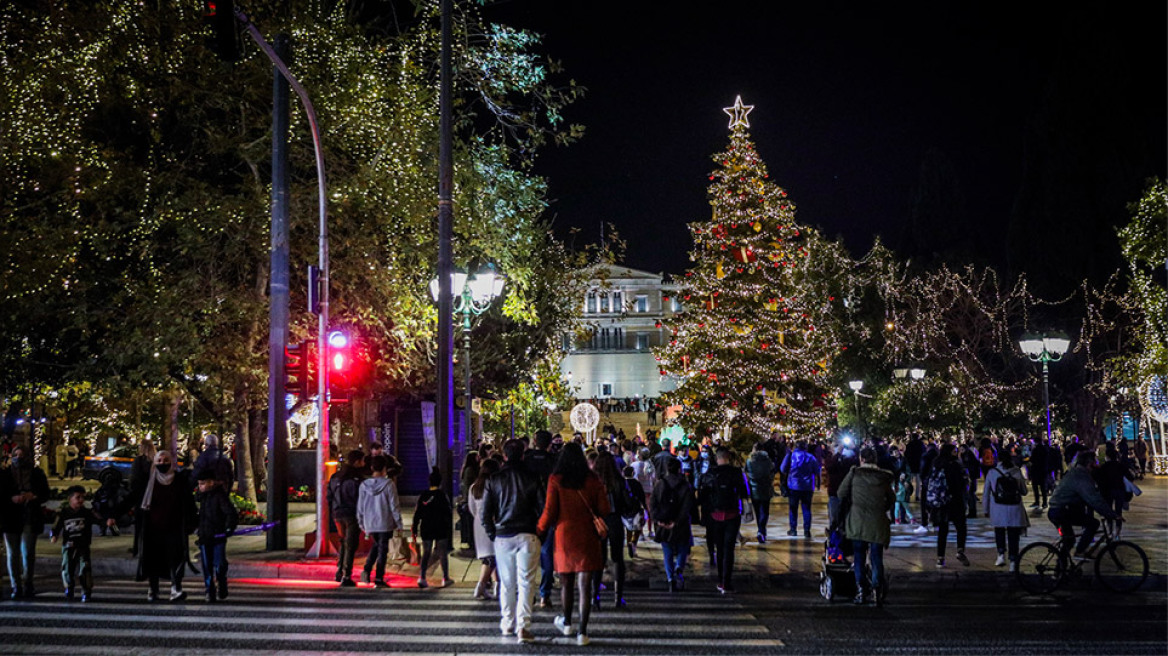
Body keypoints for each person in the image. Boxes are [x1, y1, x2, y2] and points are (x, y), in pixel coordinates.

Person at [537, 441, 609, 647]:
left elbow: (550, 512)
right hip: (587, 535)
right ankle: (582, 633)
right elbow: (604, 508)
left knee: (566, 583)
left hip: (565, 535)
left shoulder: (556, 479)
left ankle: (567, 622)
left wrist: (539, 529)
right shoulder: (593, 479)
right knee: (585, 586)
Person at [483, 438, 545, 643]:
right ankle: (523, 626)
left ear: (505, 455)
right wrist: (539, 532)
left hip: (503, 535)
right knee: (527, 582)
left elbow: (486, 514)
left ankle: (507, 622)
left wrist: (493, 533)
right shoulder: (533, 477)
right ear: (522, 454)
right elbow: (542, 508)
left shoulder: (494, 479)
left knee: (507, 583)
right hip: (528, 533)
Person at [116, 450, 198, 602]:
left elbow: (189, 502)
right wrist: (113, 515)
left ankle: (176, 589)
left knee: (176, 558)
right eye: (159, 460)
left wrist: (192, 523)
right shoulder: (147, 481)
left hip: (175, 527)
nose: (162, 463)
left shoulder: (180, 480)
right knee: (153, 559)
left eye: (165, 460)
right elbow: (132, 498)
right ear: (154, 462)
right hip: (152, 528)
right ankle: (153, 590)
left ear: (171, 462)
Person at [837, 446, 893, 605]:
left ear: (861, 459)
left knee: (859, 557)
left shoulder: (854, 474)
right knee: (876, 558)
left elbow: (841, 493)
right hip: (877, 522)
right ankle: (877, 590)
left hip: (858, 522)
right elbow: (891, 499)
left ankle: (861, 589)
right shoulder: (883, 477)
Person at [1, 444, 50, 599]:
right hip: (10, 516)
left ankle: (28, 583)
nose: (18, 458)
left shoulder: (37, 474)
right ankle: (16, 585)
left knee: (28, 552)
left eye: (22, 455)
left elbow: (45, 493)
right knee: (12, 553)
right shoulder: (5, 474)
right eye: (16, 455)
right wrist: (12, 498)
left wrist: (32, 496)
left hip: (30, 514)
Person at [699, 446, 749, 594]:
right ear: (729, 457)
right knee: (729, 549)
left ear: (717, 458)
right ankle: (727, 581)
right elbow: (744, 492)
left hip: (715, 515)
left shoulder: (710, 473)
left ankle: (721, 580)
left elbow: (703, 496)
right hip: (732, 514)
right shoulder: (736, 473)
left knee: (719, 548)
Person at [1048, 451, 1118, 557]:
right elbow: (1094, 498)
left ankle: (1061, 569)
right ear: (1089, 463)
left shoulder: (1075, 472)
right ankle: (1079, 552)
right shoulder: (1081, 476)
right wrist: (1111, 514)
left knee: (1069, 541)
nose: (1097, 464)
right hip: (1062, 511)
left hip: (1058, 509)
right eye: (1095, 461)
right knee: (1093, 524)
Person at [521, 430, 557, 609]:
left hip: (527, 512)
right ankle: (545, 594)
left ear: (535, 440)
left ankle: (530, 593)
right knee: (546, 554)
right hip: (547, 512)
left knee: (527, 555)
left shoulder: (525, 459)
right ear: (550, 443)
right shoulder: (553, 461)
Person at [357, 455, 404, 588]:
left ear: (372, 467)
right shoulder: (389, 485)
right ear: (385, 468)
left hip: (370, 522)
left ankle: (367, 570)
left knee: (377, 545)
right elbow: (394, 506)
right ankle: (378, 577)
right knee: (382, 549)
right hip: (385, 521)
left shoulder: (364, 486)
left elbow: (360, 507)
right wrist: (399, 524)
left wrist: (361, 523)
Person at [591, 450, 630, 608]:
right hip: (614, 519)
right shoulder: (618, 480)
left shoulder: (593, 480)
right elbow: (626, 502)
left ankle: (595, 596)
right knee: (617, 559)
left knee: (598, 559)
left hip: (597, 521)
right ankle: (618, 597)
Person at [651, 457, 694, 592]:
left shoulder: (660, 484)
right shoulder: (685, 485)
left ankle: (670, 578)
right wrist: (677, 522)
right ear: (679, 469)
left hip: (664, 522)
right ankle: (679, 569)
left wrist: (658, 520)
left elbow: (653, 503)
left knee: (667, 552)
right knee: (682, 548)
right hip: (680, 524)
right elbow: (687, 506)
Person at [195, 469, 238, 602]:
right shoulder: (201, 498)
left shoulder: (219, 496)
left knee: (219, 564)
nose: (200, 486)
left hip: (218, 535)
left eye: (203, 483)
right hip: (205, 535)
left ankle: (222, 583)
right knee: (207, 566)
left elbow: (230, 513)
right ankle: (210, 591)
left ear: (211, 483)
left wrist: (228, 528)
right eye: (199, 484)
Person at [51, 485, 99, 602]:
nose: (81, 500)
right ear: (70, 499)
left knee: (85, 568)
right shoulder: (63, 513)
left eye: (83, 497)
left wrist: (107, 521)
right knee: (68, 568)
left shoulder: (87, 513)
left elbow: (98, 519)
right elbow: (56, 525)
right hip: (68, 545)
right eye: (78, 497)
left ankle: (86, 590)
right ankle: (69, 588)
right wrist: (54, 535)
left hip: (83, 545)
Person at [982, 451, 1028, 571]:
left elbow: (986, 493)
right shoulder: (1017, 471)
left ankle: (1001, 555)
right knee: (1013, 535)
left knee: (999, 531)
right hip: (1015, 507)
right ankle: (1013, 560)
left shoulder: (992, 473)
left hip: (998, 507)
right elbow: (1024, 491)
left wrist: (985, 509)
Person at [327, 450, 365, 587]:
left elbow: (329, 496)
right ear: (357, 462)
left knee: (343, 542)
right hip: (351, 514)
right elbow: (360, 498)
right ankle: (346, 575)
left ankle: (339, 572)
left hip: (337, 514)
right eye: (362, 461)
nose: (364, 463)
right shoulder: (357, 479)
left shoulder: (336, 477)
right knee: (351, 544)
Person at [929, 443, 970, 568]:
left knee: (942, 531)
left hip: (941, 502)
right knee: (961, 527)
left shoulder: (936, 464)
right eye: (954, 451)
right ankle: (960, 550)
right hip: (955, 501)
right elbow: (960, 484)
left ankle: (940, 558)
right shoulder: (954, 465)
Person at [412, 468, 454, 588]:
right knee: (442, 552)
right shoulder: (442, 496)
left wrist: (415, 528)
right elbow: (448, 512)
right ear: (440, 482)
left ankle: (422, 577)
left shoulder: (423, 496)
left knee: (426, 552)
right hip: (440, 526)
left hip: (426, 527)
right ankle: (445, 577)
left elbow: (417, 513)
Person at [467, 457, 501, 600]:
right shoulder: (493, 484)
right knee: (492, 557)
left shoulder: (474, 486)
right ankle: (480, 586)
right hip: (492, 523)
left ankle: (497, 585)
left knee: (489, 556)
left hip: (478, 523)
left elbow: (471, 508)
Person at [780, 440, 820, 538]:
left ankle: (793, 529)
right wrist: (818, 483)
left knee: (793, 509)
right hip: (807, 486)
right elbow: (817, 470)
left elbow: (782, 469)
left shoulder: (791, 456)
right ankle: (807, 530)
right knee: (806, 509)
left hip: (793, 486)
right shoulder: (811, 457)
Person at [744, 442, 775, 543]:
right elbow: (772, 470)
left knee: (757, 511)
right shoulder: (767, 460)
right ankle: (762, 530)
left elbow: (746, 471)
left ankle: (760, 530)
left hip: (754, 488)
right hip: (766, 488)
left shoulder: (749, 460)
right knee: (765, 511)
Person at [621, 466, 647, 558]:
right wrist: (645, 508)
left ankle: (629, 543)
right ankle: (633, 544)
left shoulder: (622, 483)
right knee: (638, 529)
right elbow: (642, 497)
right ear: (633, 473)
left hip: (624, 510)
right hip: (636, 509)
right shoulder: (636, 483)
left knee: (628, 529)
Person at [457, 451, 481, 550]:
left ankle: (470, 540)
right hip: (470, 499)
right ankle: (471, 541)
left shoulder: (467, 469)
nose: (479, 458)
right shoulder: (471, 470)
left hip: (468, 498)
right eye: (477, 456)